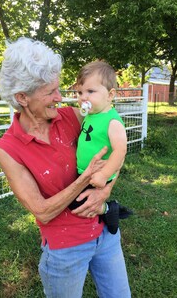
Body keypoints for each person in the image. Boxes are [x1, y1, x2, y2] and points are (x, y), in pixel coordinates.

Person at [0, 37, 131, 298]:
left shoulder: (72, 116)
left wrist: (106, 188)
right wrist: (86, 179)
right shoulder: (9, 149)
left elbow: (116, 148)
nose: (60, 98)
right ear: (22, 97)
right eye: (50, 92)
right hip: (65, 249)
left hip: (106, 232)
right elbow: (42, 212)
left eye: (58, 89)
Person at [68, 61, 132, 234]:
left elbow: (120, 150)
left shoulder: (112, 121)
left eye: (90, 91)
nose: (83, 97)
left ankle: (109, 210)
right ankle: (103, 212)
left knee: (77, 202)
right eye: (80, 92)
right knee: (76, 200)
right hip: (85, 171)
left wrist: (104, 175)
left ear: (110, 95)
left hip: (99, 174)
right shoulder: (91, 115)